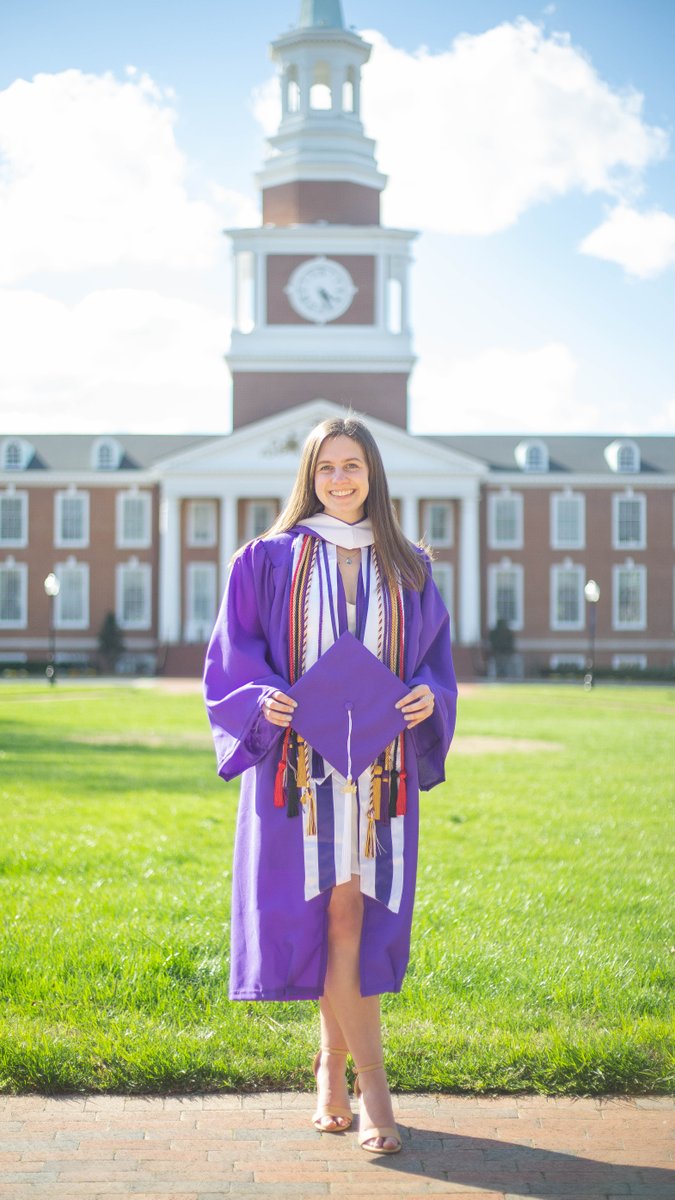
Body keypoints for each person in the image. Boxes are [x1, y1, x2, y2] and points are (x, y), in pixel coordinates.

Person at [204, 415, 457, 1154]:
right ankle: (359, 1083)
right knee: (323, 919)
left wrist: (426, 699)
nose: (340, 479)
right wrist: (260, 700)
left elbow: (432, 665)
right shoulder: (265, 559)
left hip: (378, 774)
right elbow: (232, 657)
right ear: (309, 478)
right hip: (298, 772)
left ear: (373, 474)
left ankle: (344, 1073)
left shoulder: (410, 566)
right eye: (326, 469)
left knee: (353, 919)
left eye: (352, 466)